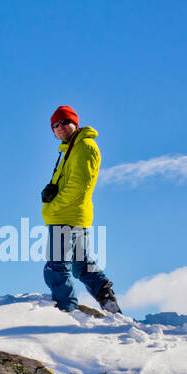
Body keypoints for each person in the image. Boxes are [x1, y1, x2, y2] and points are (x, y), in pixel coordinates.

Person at [41, 105, 120, 313]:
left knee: (56, 268)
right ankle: (109, 303)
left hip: (66, 215)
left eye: (65, 122)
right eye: (55, 125)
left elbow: (79, 185)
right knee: (82, 265)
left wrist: (54, 205)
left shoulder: (84, 146)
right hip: (73, 215)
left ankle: (66, 312)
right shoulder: (71, 148)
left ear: (75, 123)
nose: (60, 127)